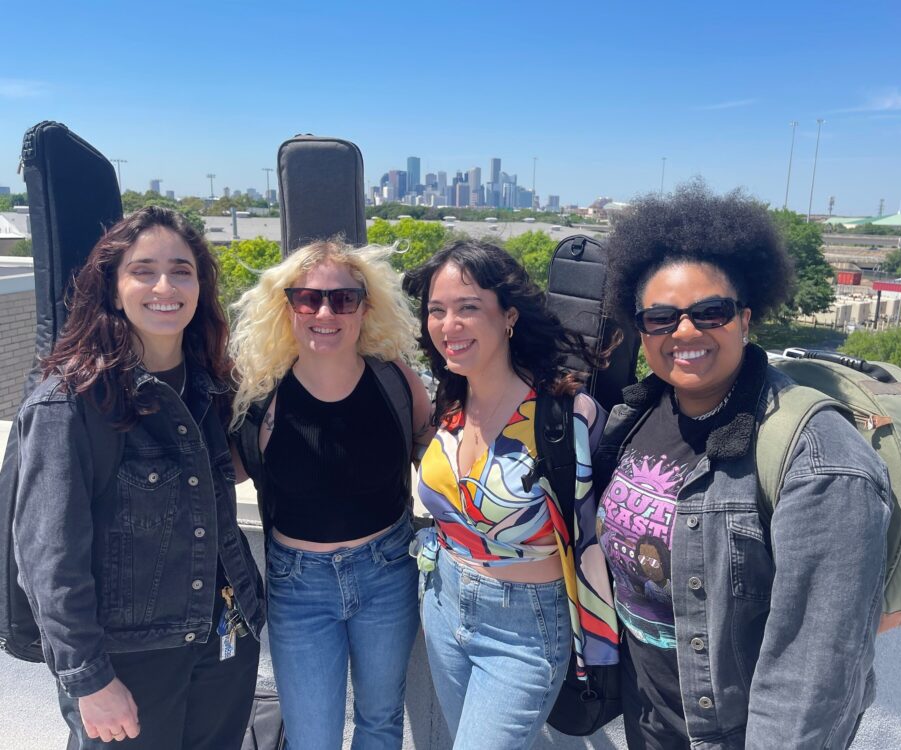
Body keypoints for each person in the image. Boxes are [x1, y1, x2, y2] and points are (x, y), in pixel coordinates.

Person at [594, 184, 892, 749]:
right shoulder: (638, 413)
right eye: (660, 318)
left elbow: (817, 668)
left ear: (746, 319)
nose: (684, 332)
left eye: (710, 312)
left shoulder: (819, 458)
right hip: (649, 715)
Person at [13, 206, 264, 749]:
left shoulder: (211, 387)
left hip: (225, 641)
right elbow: (48, 559)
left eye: (181, 270)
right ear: (112, 285)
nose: (164, 285)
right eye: (143, 269)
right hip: (129, 660)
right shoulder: (70, 404)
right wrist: (89, 679)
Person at [402, 240, 619, 748]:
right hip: (443, 599)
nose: (448, 325)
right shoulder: (452, 398)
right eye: (437, 310)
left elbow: (601, 526)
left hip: (526, 626)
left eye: (468, 308)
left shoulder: (566, 415)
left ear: (510, 318)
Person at [228, 240, 432, 750]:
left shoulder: (396, 381)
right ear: (286, 306)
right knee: (312, 737)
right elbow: (211, 477)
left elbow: (438, 457)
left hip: (387, 571)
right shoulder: (260, 397)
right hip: (298, 586)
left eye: (344, 299)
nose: (325, 312)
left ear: (366, 307)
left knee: (381, 721)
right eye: (308, 298)